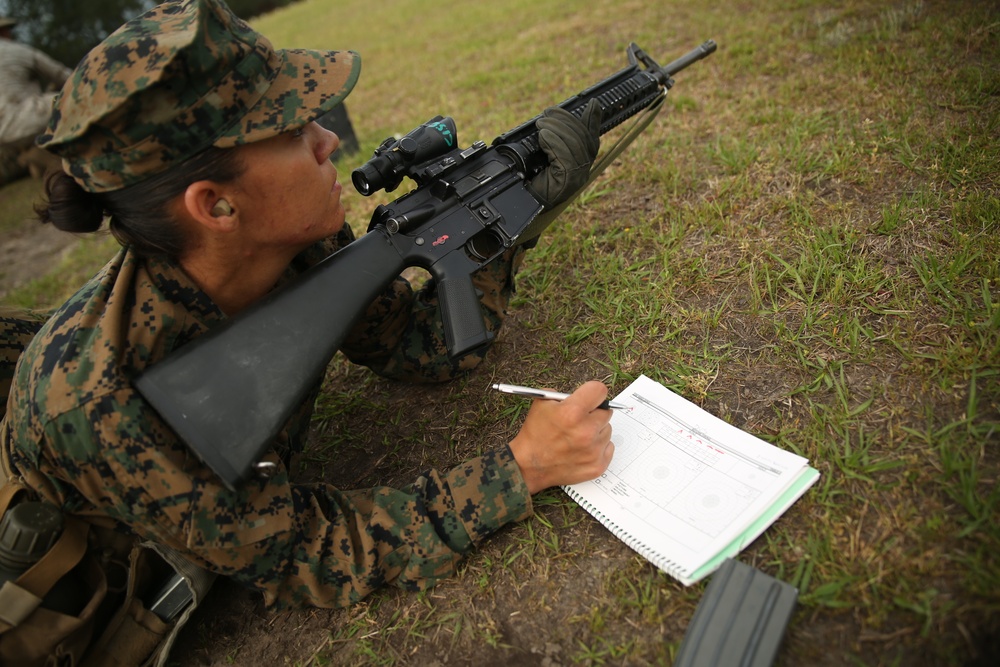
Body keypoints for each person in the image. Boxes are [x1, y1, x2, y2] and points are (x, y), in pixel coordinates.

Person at [0, 0, 611, 629]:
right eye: (294, 134)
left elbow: (419, 347)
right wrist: (524, 467)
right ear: (216, 206)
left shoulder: (297, 240)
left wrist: (505, 217)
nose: (326, 140)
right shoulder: (105, 407)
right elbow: (308, 552)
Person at [0, 15, 69, 184]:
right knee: (65, 100)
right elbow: (63, 75)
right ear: (3, 31)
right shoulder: (20, 50)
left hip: (3, 134)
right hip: (23, 120)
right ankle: (43, 154)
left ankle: (32, 156)